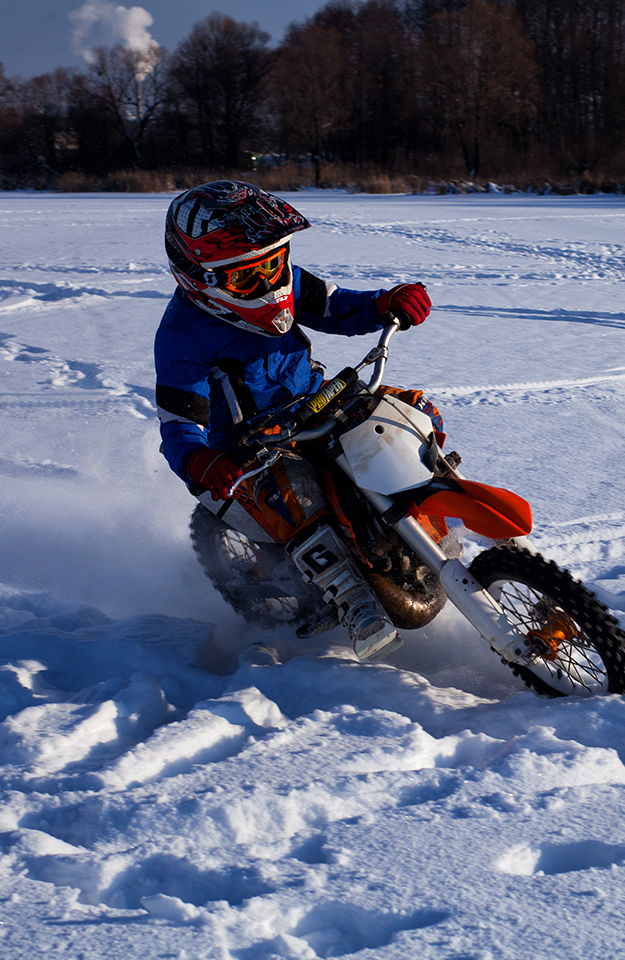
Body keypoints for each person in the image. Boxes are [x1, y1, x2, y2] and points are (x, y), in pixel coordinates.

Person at [154, 180, 432, 661]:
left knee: (408, 408)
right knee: (295, 492)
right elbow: (178, 422)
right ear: (200, 277)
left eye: (272, 264)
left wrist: (385, 303)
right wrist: (199, 459)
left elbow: (337, 306)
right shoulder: (182, 336)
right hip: (249, 448)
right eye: (246, 279)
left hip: (318, 401)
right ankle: (354, 601)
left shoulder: (286, 280)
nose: (266, 284)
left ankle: (436, 496)